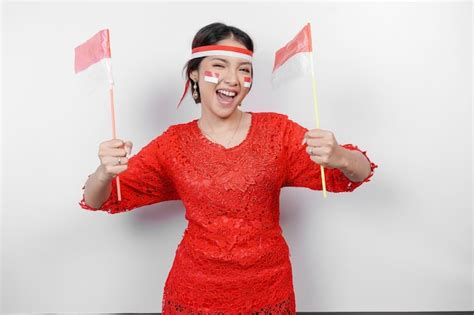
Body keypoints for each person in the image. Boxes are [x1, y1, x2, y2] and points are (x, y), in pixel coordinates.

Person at [79, 22, 378, 314]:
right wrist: (104, 172)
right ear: (194, 73)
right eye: (219, 66)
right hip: (195, 292)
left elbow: (359, 172)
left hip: (268, 290)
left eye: (244, 69)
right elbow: (98, 199)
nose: (233, 79)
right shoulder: (172, 144)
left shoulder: (278, 131)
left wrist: (340, 156)